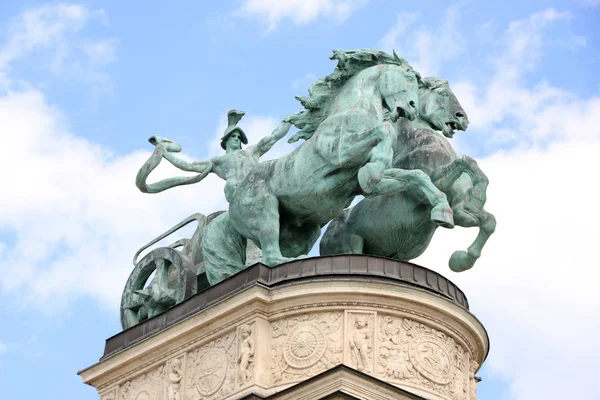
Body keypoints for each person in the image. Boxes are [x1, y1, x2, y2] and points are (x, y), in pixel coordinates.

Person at [137, 109, 292, 202]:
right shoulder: (218, 161)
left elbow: (272, 138)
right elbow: (189, 166)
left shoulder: (251, 151)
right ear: (225, 142)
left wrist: (289, 121)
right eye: (233, 136)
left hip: (258, 186)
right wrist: (163, 153)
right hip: (236, 191)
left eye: (239, 137)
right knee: (234, 187)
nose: (237, 139)